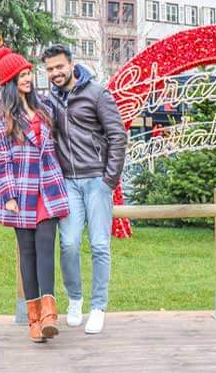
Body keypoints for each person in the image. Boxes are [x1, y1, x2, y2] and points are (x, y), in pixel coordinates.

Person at [40, 44, 127, 335]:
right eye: (50, 69)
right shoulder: (50, 100)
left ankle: (98, 306)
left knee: (100, 245)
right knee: (69, 244)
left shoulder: (97, 94)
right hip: (68, 183)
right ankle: (75, 300)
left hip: (96, 182)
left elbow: (117, 135)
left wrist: (109, 180)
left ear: (71, 64)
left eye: (59, 67)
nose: (55, 73)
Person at [0, 46, 69, 343]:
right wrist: (8, 195)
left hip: (48, 188)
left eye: (28, 73)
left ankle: (49, 315)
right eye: (21, 75)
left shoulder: (45, 106)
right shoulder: (1, 113)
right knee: (27, 254)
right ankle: (33, 321)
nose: (27, 78)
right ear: (9, 81)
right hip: (21, 192)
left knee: (47, 249)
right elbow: (2, 158)